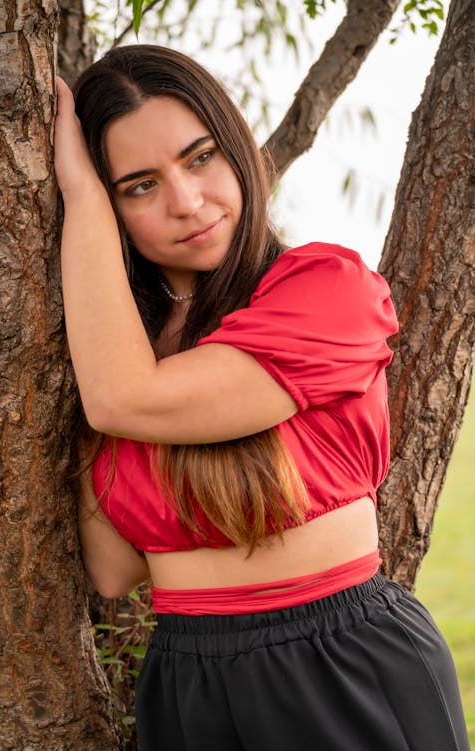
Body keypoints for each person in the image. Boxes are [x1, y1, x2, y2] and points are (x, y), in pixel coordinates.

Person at [54, 44, 469, 751]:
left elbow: (124, 400)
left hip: (340, 659)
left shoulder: (328, 291)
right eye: (138, 186)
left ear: (237, 147)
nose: (187, 202)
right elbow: (115, 567)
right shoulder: (124, 359)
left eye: (199, 157)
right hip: (187, 680)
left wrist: (82, 192)